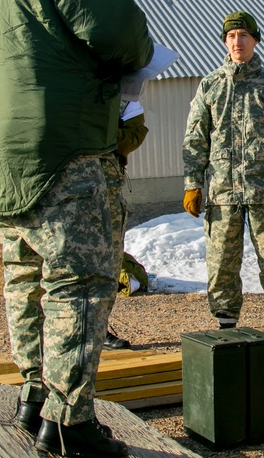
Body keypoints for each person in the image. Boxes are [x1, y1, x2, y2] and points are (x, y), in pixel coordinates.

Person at [0, 0, 153, 458]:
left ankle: (33, 398)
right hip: (65, 143)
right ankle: (70, 424)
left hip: (2, 148)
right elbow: (117, 30)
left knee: (25, 271)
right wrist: (139, 55)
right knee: (80, 279)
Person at [181, 11, 264, 337]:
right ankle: (226, 325)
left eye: (244, 36)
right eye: (232, 36)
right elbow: (196, 138)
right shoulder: (210, 86)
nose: (237, 42)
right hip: (222, 192)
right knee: (221, 263)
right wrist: (192, 184)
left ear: (255, 40)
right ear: (225, 42)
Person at [102, 110, 150, 350]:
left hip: (107, 189)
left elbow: (133, 136)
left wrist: (97, 128)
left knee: (109, 263)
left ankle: (97, 328)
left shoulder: (121, 95)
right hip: (59, 188)